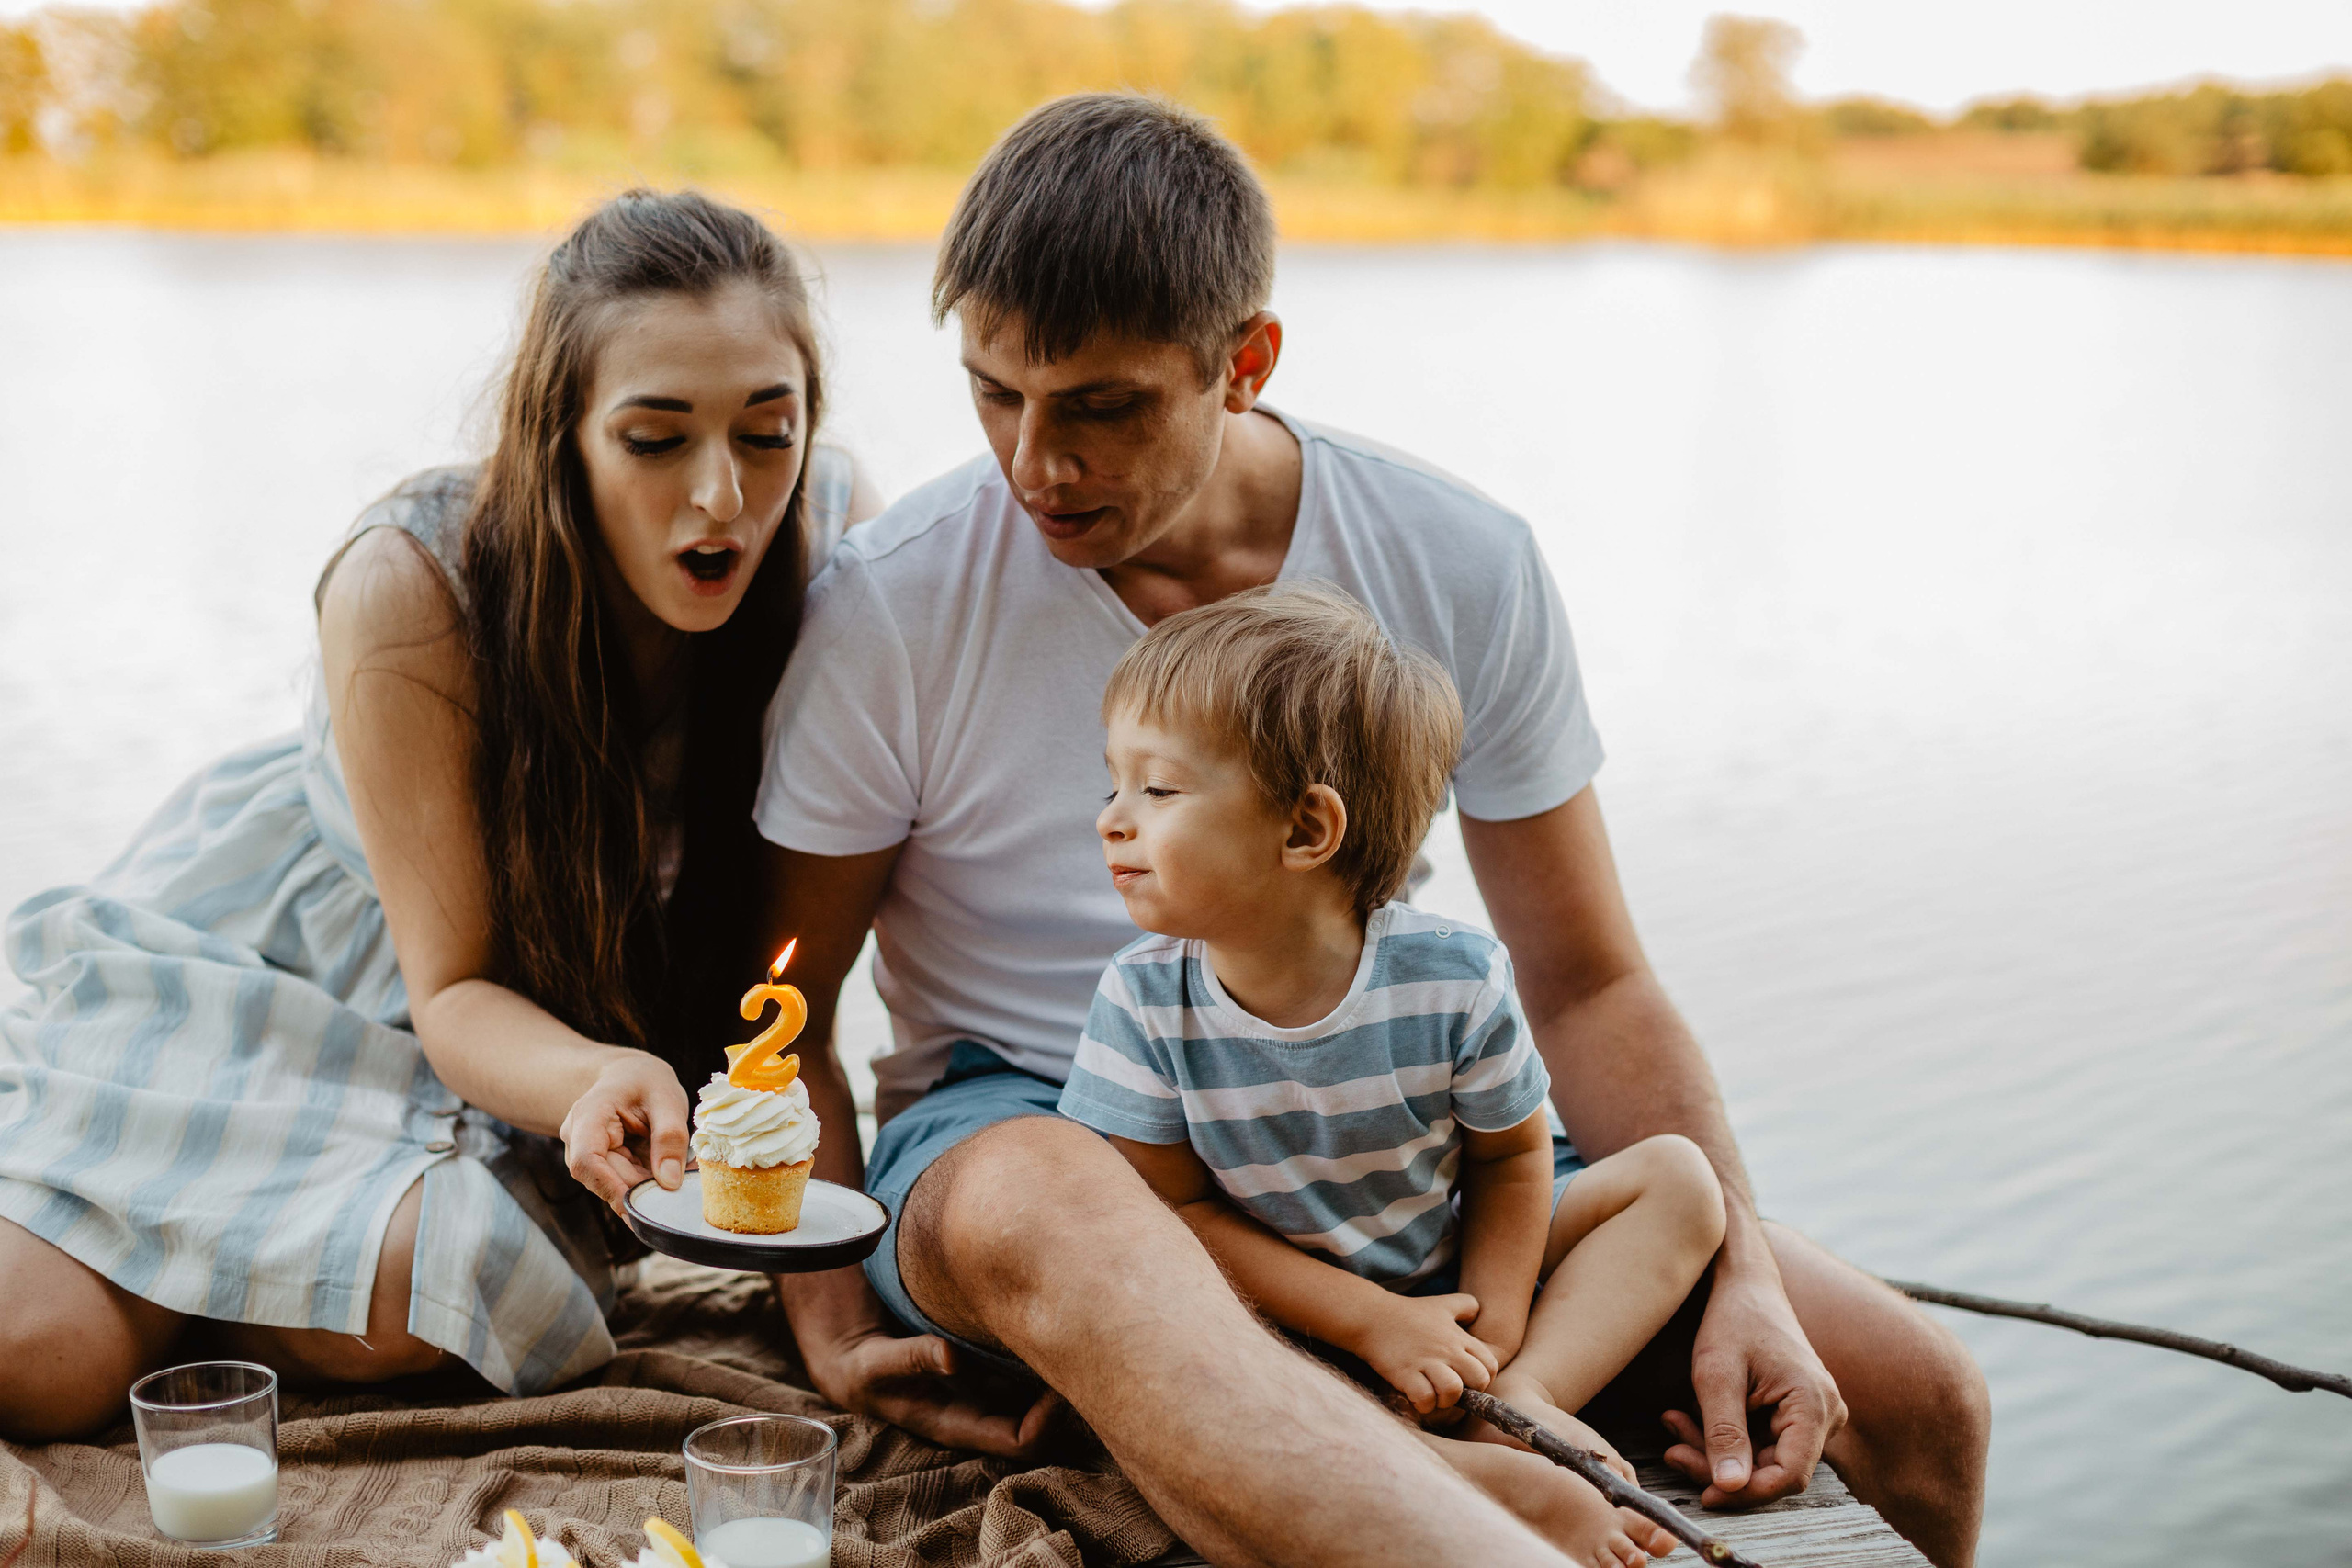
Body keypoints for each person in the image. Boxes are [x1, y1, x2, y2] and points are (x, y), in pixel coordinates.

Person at [754, 94, 1989, 1566]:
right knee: (1061, 1186)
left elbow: (1586, 978)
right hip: (1021, 1123)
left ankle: (1472, 1426)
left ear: (1246, 360)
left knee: (1921, 1395)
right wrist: (827, 1321)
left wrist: (1748, 1275)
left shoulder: (1457, 559)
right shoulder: (893, 604)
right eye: (993, 394)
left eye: (1100, 405)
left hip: (1380, 1112)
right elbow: (783, 999)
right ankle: (1475, 1514)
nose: (1036, 463)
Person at [0, 189, 875, 1438]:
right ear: (562, 434)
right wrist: (590, 1072)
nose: (724, 497)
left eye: (768, 431)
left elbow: (801, 1006)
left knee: (440, 1289)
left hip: (533, 1055)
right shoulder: (413, 581)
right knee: (34, 1353)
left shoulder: (836, 544)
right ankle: (167, 1238)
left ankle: (204, 1269)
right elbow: (451, 984)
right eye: (655, 438)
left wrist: (837, 1332)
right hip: (318, 988)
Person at [1059, 583, 1729, 1568]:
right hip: (1271, 1317)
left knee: (1677, 1179)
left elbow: (1510, 1159)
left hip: (1438, 1269)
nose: (1112, 819)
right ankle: (1433, 1464)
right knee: (1155, 1341)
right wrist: (1371, 1323)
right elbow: (1180, 1220)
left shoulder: (1452, 978)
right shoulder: (1141, 1002)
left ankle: (1521, 1405)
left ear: (1304, 831)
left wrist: (1488, 1332)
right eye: (1112, 782)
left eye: (1156, 789)